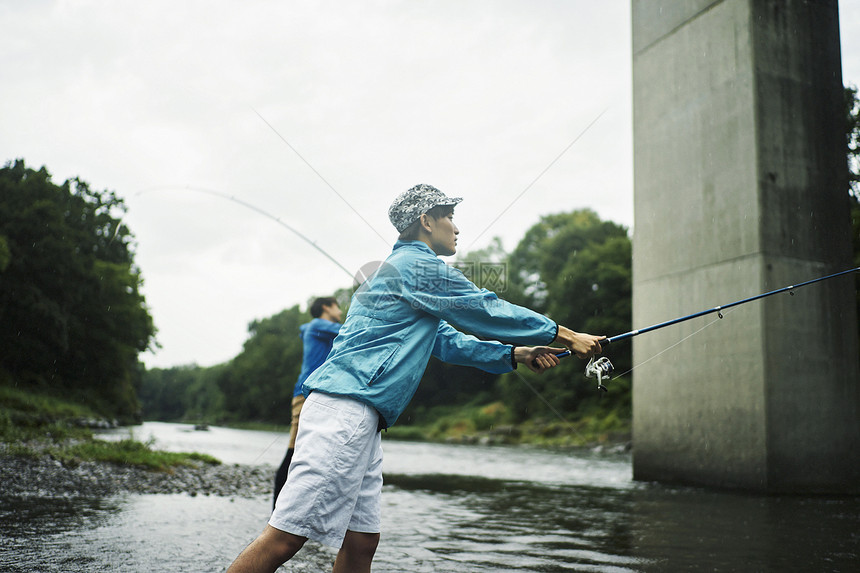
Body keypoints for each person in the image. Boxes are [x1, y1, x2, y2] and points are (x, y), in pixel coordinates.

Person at [227, 184, 605, 573]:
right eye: (449, 217)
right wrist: (566, 334)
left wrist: (513, 355)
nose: (456, 228)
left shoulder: (398, 274)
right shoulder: (415, 267)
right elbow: (484, 308)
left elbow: (446, 341)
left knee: (361, 543)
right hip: (347, 411)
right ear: (426, 221)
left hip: (359, 415)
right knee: (286, 537)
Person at [272, 296, 342, 509]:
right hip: (305, 396)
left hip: (319, 395)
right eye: (337, 306)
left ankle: (297, 510)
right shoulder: (319, 325)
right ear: (326, 308)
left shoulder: (319, 329)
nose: (340, 311)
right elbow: (352, 331)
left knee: (313, 453)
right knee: (294, 451)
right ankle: (276, 513)